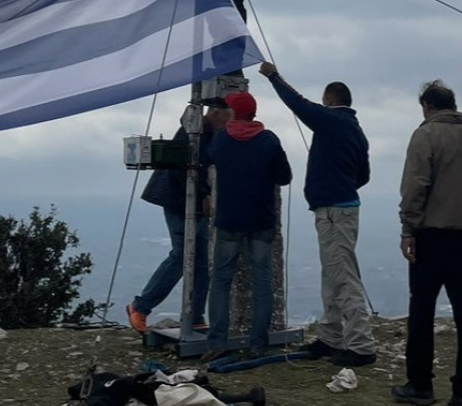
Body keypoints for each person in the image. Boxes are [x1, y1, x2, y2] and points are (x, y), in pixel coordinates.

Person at [257, 61, 376, 367]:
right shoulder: (356, 130)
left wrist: (274, 77)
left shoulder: (332, 121)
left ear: (330, 101)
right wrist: (341, 184)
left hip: (334, 211)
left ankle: (361, 345)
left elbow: (298, 104)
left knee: (343, 276)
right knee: (333, 273)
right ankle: (331, 337)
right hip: (342, 207)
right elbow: (363, 176)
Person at [393, 80, 462, 406]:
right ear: (453, 105)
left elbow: (415, 187)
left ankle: (420, 386)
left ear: (427, 106)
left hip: (431, 238)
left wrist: (408, 229)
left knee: (422, 313)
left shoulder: (425, 135)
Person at [202, 91, 291, 360]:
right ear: (254, 113)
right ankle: (258, 345)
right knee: (262, 281)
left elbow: (208, 157)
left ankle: (217, 342)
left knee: (220, 280)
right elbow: (284, 177)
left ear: (232, 112)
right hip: (261, 220)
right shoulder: (269, 141)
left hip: (229, 220)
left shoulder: (222, 141)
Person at [126, 106, 230, 333]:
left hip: (194, 202)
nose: (229, 123)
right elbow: (182, 169)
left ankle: (195, 316)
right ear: (215, 114)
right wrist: (204, 194)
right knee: (183, 253)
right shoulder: (193, 131)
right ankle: (140, 306)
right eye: (227, 117)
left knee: (201, 260)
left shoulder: (211, 133)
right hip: (176, 199)